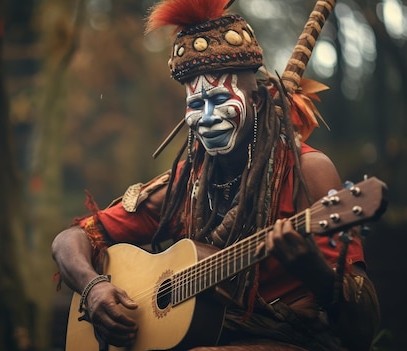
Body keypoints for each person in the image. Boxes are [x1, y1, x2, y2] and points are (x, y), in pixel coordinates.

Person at [52, 0, 380, 350]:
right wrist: (94, 287)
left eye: (220, 99)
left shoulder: (307, 171)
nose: (206, 116)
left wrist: (313, 270)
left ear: (256, 100)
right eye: (195, 105)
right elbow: (71, 239)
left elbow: (362, 327)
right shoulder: (186, 184)